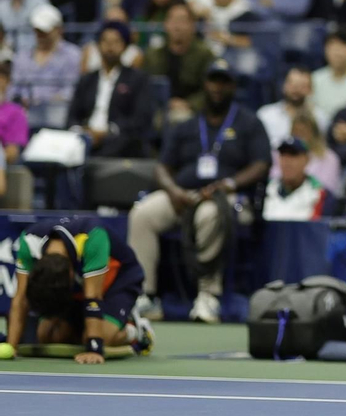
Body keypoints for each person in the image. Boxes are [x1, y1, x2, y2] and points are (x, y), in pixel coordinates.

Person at [130, 59, 270, 324]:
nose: (217, 87)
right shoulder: (188, 125)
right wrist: (172, 190)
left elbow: (261, 164)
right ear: (205, 85)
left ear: (232, 86)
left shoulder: (249, 122)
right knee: (142, 214)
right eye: (213, 81)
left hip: (225, 196)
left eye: (223, 82)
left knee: (209, 215)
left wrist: (229, 184)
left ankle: (208, 295)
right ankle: (145, 295)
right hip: (183, 195)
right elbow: (162, 166)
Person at [6, 215, 152, 363]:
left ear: (71, 275)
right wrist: (12, 346)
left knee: (104, 338)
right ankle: (84, 329)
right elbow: (20, 298)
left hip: (119, 280)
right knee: (49, 336)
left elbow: (93, 298)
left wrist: (94, 349)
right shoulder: (29, 240)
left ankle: (135, 331)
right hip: (80, 283)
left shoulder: (92, 237)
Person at [67, 20, 152, 158]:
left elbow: (140, 118)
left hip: (117, 138)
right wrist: (81, 131)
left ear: (124, 46)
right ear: (98, 45)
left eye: (116, 42)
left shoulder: (137, 79)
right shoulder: (87, 79)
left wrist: (108, 131)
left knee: (122, 143)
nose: (110, 47)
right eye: (105, 41)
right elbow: (72, 115)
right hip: (85, 137)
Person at [262, 137, 333, 222]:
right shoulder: (265, 189)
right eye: (283, 155)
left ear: (306, 159)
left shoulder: (322, 195)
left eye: (293, 155)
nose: (287, 162)